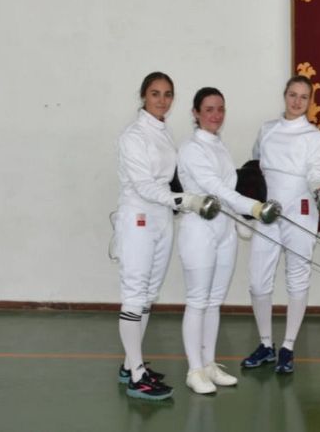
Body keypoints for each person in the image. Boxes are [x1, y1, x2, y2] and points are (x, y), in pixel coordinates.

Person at [114, 72, 208, 400]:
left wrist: (184, 198)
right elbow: (144, 186)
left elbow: (171, 181)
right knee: (134, 294)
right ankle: (138, 374)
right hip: (137, 218)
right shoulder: (133, 136)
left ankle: (131, 364)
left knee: (149, 294)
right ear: (144, 95)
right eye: (155, 93)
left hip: (162, 219)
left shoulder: (163, 132)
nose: (162, 100)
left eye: (168, 94)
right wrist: (184, 201)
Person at [177, 87, 275, 394]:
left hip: (224, 231)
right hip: (199, 231)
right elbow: (215, 188)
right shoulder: (191, 149)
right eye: (208, 109)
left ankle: (209, 364)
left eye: (220, 109)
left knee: (215, 302)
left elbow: (228, 189)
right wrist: (254, 208)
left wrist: (244, 218)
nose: (216, 115)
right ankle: (194, 370)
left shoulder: (219, 146)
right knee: (197, 301)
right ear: (195, 113)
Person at [241, 76, 320, 374]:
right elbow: (256, 165)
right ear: (285, 96)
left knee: (297, 278)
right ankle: (266, 344)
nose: (297, 101)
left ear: (310, 101)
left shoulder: (315, 137)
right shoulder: (267, 130)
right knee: (258, 280)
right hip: (268, 212)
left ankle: (288, 346)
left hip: (301, 210)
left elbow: (318, 170)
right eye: (292, 95)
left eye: (303, 97)